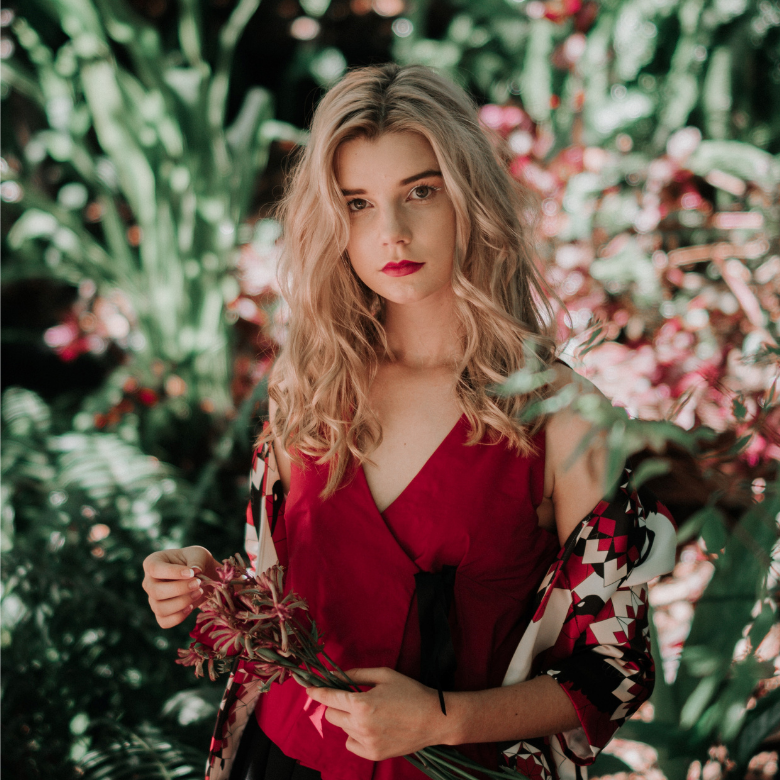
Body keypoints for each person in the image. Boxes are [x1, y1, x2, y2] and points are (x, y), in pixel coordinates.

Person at [143, 64, 675, 780]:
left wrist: (442, 719)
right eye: (357, 203)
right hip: (281, 762)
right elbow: (286, 602)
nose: (390, 231)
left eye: (419, 192)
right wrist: (207, 587)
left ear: (470, 198)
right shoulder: (307, 387)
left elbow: (617, 670)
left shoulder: (565, 420)